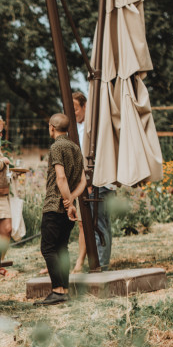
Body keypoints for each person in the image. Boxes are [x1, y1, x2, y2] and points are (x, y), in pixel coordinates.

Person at [37, 113, 87, 306]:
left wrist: (67, 201)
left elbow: (61, 177)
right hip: (67, 205)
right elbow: (83, 180)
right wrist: (72, 199)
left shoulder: (57, 147)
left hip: (54, 205)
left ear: (51, 127)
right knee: (62, 248)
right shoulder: (75, 147)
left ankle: (57, 290)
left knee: (48, 248)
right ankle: (64, 289)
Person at [71, 91, 112, 272]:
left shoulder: (93, 128)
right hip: (86, 183)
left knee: (98, 224)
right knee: (95, 222)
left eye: (76, 109)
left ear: (85, 106)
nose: (74, 113)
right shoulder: (76, 128)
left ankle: (101, 264)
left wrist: (89, 182)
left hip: (98, 181)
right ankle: (98, 262)